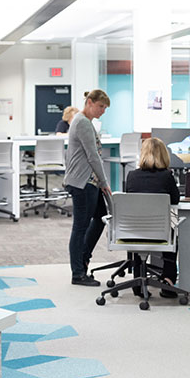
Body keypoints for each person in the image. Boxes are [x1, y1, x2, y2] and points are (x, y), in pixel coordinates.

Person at [64, 89, 111, 286]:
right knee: (80, 227)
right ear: (89, 102)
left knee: (100, 218)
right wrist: (104, 182)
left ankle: (83, 259)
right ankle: (78, 273)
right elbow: (93, 156)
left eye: (105, 108)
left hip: (89, 181)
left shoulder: (86, 122)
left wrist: (99, 181)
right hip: (83, 182)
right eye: (101, 106)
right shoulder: (82, 121)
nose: (103, 111)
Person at [125, 137, 180, 297]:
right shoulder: (167, 176)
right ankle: (168, 280)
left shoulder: (131, 176)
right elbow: (175, 200)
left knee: (139, 228)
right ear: (164, 155)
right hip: (159, 232)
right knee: (174, 234)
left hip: (131, 232)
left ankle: (137, 278)